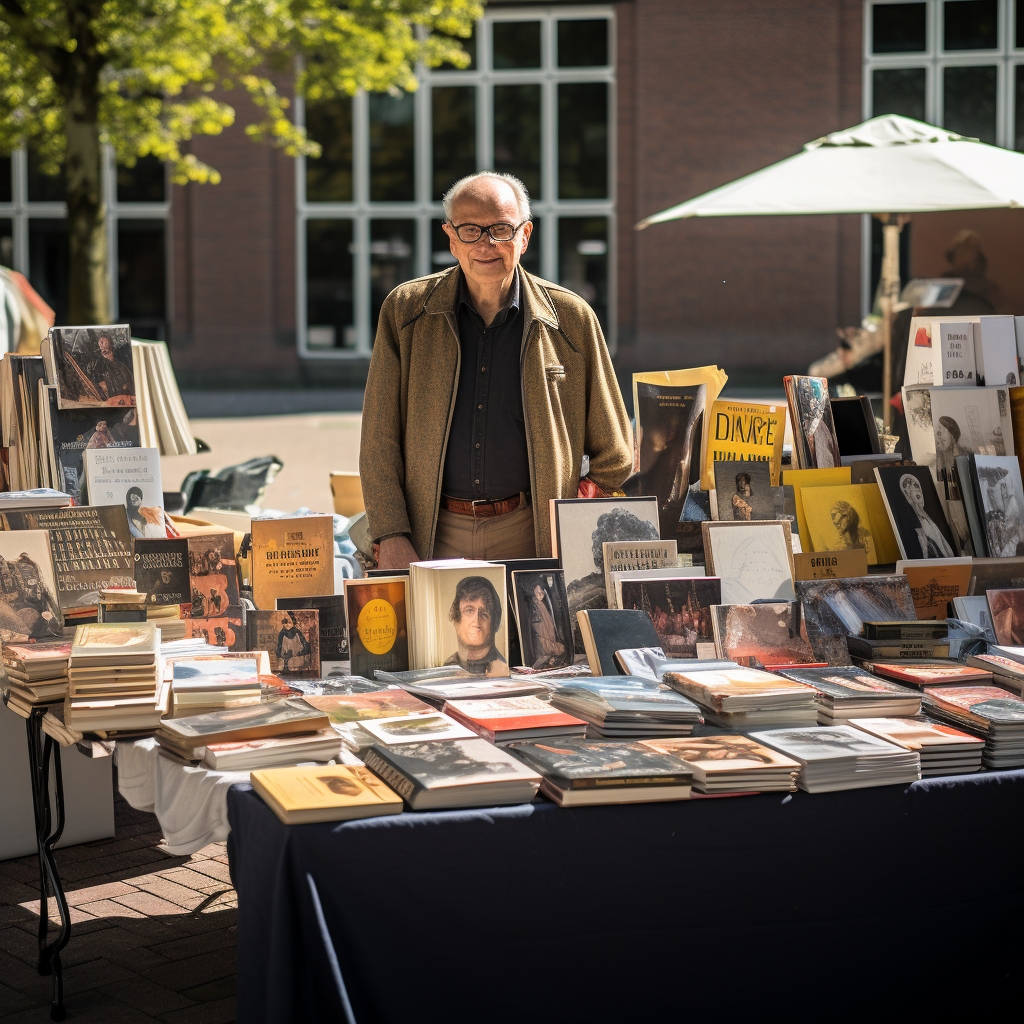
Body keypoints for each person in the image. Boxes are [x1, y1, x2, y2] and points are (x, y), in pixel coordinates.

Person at [360, 171, 632, 568]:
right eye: (470, 230)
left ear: (524, 236)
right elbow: (378, 441)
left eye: (501, 229)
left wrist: (569, 524)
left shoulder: (572, 319)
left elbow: (616, 453)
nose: (486, 244)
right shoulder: (405, 311)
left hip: (532, 535)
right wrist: (391, 533)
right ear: (450, 238)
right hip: (431, 533)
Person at [444, 576, 507, 676]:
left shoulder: (503, 669)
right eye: (469, 611)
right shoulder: (447, 668)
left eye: (484, 614)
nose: (476, 621)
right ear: (456, 620)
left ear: (494, 623)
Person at [899, 473, 954, 557]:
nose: (917, 492)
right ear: (908, 495)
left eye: (916, 486)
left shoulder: (930, 515)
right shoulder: (914, 522)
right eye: (910, 489)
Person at [527, 579, 565, 669]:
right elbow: (538, 635)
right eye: (537, 592)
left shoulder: (543, 606)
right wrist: (552, 647)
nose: (540, 594)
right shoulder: (534, 608)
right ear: (533, 592)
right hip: (542, 653)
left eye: (542, 592)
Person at [85, 333, 135, 402]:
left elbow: (129, 385)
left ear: (110, 343)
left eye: (103, 341)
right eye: (100, 342)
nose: (101, 343)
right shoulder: (95, 366)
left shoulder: (121, 366)